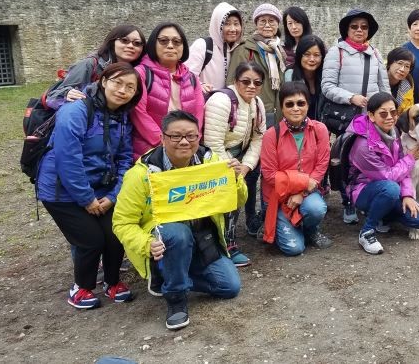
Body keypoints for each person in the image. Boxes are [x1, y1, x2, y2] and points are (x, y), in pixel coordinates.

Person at [113, 110, 245, 330]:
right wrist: (146, 244)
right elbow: (122, 222)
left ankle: (167, 274)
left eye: (191, 136)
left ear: (198, 137)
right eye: (176, 136)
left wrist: (236, 180)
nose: (184, 141)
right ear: (162, 138)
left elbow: (236, 201)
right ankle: (176, 297)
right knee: (177, 234)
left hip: (202, 237)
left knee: (229, 287)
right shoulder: (141, 175)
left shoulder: (210, 162)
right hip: (168, 239)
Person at [37, 62, 142, 309]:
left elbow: (125, 158)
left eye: (130, 87)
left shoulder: (123, 117)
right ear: (103, 81)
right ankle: (81, 288)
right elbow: (67, 159)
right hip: (61, 191)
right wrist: (86, 199)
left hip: (102, 189)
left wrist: (114, 195)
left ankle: (112, 282)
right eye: (117, 82)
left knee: (117, 232)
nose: (123, 90)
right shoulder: (75, 111)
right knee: (91, 239)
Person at [321, 8, 388, 224]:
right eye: (355, 26)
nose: (359, 30)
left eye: (364, 27)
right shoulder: (336, 52)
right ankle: (347, 200)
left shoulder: (375, 53)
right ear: (347, 29)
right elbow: (327, 86)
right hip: (347, 117)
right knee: (345, 161)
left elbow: (383, 86)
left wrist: (387, 110)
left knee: (370, 160)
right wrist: (351, 98)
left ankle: (365, 199)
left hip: (370, 119)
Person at [347, 92, 419, 254]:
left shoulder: (394, 132)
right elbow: (388, 176)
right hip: (363, 191)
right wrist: (410, 158)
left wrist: (407, 195)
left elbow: (402, 168)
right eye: (383, 114)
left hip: (390, 189)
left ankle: (382, 214)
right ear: (371, 116)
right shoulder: (363, 145)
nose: (390, 117)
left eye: (393, 112)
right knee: (391, 188)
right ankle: (367, 231)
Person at [202, 63, 267, 267]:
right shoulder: (221, 102)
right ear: (235, 81)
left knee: (242, 191)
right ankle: (225, 245)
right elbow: (213, 143)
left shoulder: (257, 103)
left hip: (241, 157)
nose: (251, 86)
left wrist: (246, 166)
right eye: (246, 81)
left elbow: (258, 138)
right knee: (228, 196)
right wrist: (232, 169)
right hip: (216, 157)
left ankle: (230, 238)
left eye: (257, 82)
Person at [260, 82, 332, 256]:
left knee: (316, 208)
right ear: (282, 107)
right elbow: (269, 175)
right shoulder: (271, 135)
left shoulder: (319, 130)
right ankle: (281, 223)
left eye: (301, 103)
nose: (295, 108)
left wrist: (302, 193)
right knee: (294, 249)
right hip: (279, 196)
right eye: (289, 104)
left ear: (308, 104)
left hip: (307, 193)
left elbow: (321, 165)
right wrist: (303, 183)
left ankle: (310, 230)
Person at [131, 22, 204, 159]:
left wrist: (191, 141)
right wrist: (165, 143)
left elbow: (198, 114)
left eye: (176, 42)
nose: (170, 46)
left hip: (185, 150)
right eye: (163, 41)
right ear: (153, 44)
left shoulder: (192, 78)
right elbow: (138, 113)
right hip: (151, 152)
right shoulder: (141, 74)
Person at [45, 24, 146, 110]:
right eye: (124, 40)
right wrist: (66, 94)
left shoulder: (140, 72)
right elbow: (53, 96)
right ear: (112, 42)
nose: (131, 46)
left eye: (137, 43)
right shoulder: (89, 64)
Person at [237, 3, 286, 128]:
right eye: (263, 21)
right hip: (252, 112)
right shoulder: (245, 50)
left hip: (278, 114)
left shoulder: (280, 51)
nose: (267, 25)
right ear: (256, 24)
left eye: (272, 21)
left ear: (278, 24)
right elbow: (233, 82)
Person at [184, 2, 244, 93]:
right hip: (203, 99)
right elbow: (185, 75)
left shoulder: (237, 50)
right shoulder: (202, 45)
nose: (233, 29)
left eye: (236, 24)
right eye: (227, 24)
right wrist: (200, 85)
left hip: (224, 100)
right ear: (217, 25)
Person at [288, 34, 327, 121]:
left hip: (320, 127)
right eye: (307, 54)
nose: (312, 59)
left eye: (316, 55)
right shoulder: (289, 75)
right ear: (299, 55)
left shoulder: (325, 77)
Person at [386, 47, 414, 115]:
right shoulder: (375, 80)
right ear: (390, 63)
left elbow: (407, 113)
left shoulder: (408, 87)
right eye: (399, 63)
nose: (402, 69)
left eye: (407, 66)